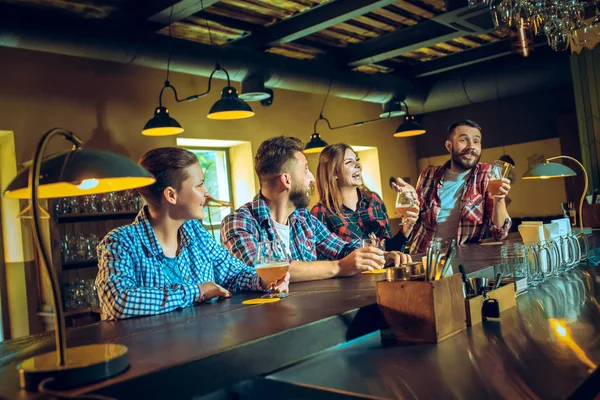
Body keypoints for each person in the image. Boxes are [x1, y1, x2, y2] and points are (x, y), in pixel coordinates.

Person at [96, 147, 289, 320]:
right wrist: (196, 292)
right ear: (171, 195)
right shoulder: (120, 242)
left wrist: (264, 280)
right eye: (200, 184)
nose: (206, 192)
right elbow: (117, 301)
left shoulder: (195, 232)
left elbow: (233, 273)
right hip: (155, 357)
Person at [221, 136, 410, 282]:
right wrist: (338, 267)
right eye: (306, 170)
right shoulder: (239, 222)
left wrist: (381, 256)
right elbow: (265, 271)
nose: (312, 178)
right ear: (286, 180)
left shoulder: (303, 218)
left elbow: (343, 248)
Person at [409, 119, 512, 254]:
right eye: (464, 140)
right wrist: (408, 198)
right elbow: (414, 221)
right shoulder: (428, 175)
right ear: (449, 146)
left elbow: (499, 233)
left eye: (476, 141)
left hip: (463, 261)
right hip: (423, 258)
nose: (471, 146)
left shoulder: (487, 174)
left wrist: (499, 199)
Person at [311, 143, 418, 251]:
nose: (358, 164)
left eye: (356, 159)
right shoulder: (321, 212)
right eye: (348, 162)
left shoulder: (374, 200)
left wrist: (406, 229)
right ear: (333, 173)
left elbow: (389, 250)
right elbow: (322, 260)